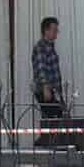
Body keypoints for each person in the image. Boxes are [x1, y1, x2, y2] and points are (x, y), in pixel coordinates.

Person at [31, 16, 64, 148]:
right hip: (46, 90)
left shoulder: (50, 47)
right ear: (46, 30)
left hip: (53, 90)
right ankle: (44, 143)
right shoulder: (41, 47)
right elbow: (41, 68)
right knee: (55, 116)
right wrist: (46, 87)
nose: (56, 33)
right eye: (54, 30)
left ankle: (47, 142)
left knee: (52, 117)